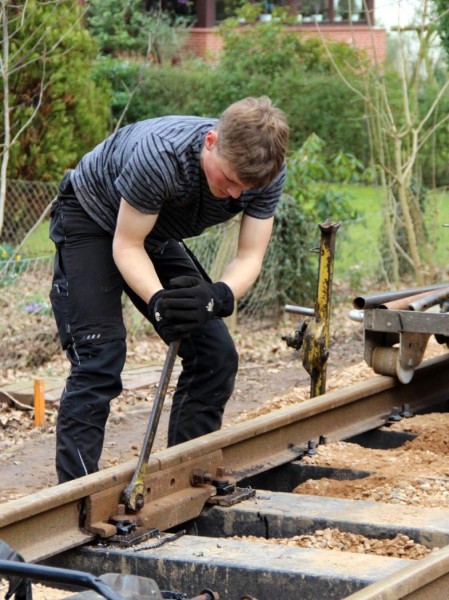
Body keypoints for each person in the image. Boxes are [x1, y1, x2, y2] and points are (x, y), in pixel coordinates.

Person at [49, 96, 289, 483]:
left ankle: (187, 479)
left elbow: (249, 256)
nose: (233, 196)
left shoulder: (265, 172)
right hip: (91, 218)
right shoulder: (161, 156)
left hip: (154, 230)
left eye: (244, 190)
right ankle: (76, 498)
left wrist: (216, 297)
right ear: (210, 141)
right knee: (99, 357)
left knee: (215, 353)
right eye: (227, 180)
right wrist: (159, 302)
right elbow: (126, 245)